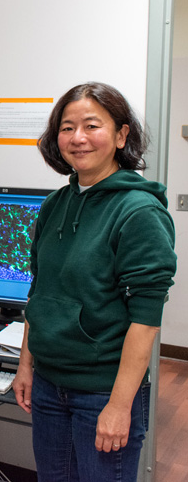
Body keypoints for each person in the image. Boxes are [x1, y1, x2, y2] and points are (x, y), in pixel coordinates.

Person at [12, 82, 177, 482]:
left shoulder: (138, 212)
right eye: (67, 128)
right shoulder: (55, 204)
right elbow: (40, 290)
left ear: (121, 135)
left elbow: (146, 319)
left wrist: (120, 406)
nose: (78, 138)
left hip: (103, 392)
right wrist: (26, 364)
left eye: (91, 125)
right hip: (49, 386)